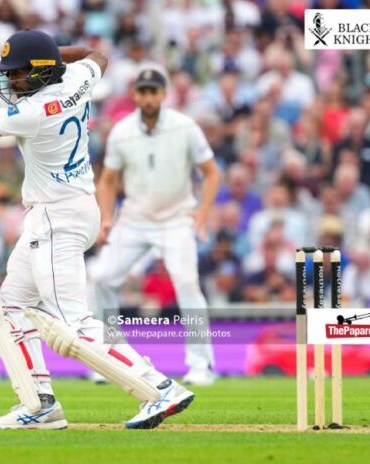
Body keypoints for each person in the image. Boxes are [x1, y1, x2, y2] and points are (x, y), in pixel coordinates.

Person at [0, 30, 193, 430]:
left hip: (56, 219)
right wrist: (48, 55)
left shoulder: (34, 111)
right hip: (72, 210)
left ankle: (160, 387)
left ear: (39, 73)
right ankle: (39, 404)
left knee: (73, 325)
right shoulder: (78, 77)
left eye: (16, 74)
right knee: (7, 305)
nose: (11, 81)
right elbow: (95, 52)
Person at [93, 69, 222, 386]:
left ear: (163, 94)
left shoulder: (185, 127)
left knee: (188, 284)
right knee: (100, 278)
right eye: (143, 92)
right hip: (134, 219)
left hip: (177, 219)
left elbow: (211, 172)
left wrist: (202, 214)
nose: (148, 97)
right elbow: (108, 180)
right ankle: (110, 358)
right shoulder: (122, 131)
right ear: (135, 95)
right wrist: (106, 218)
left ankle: (200, 365)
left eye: (154, 91)